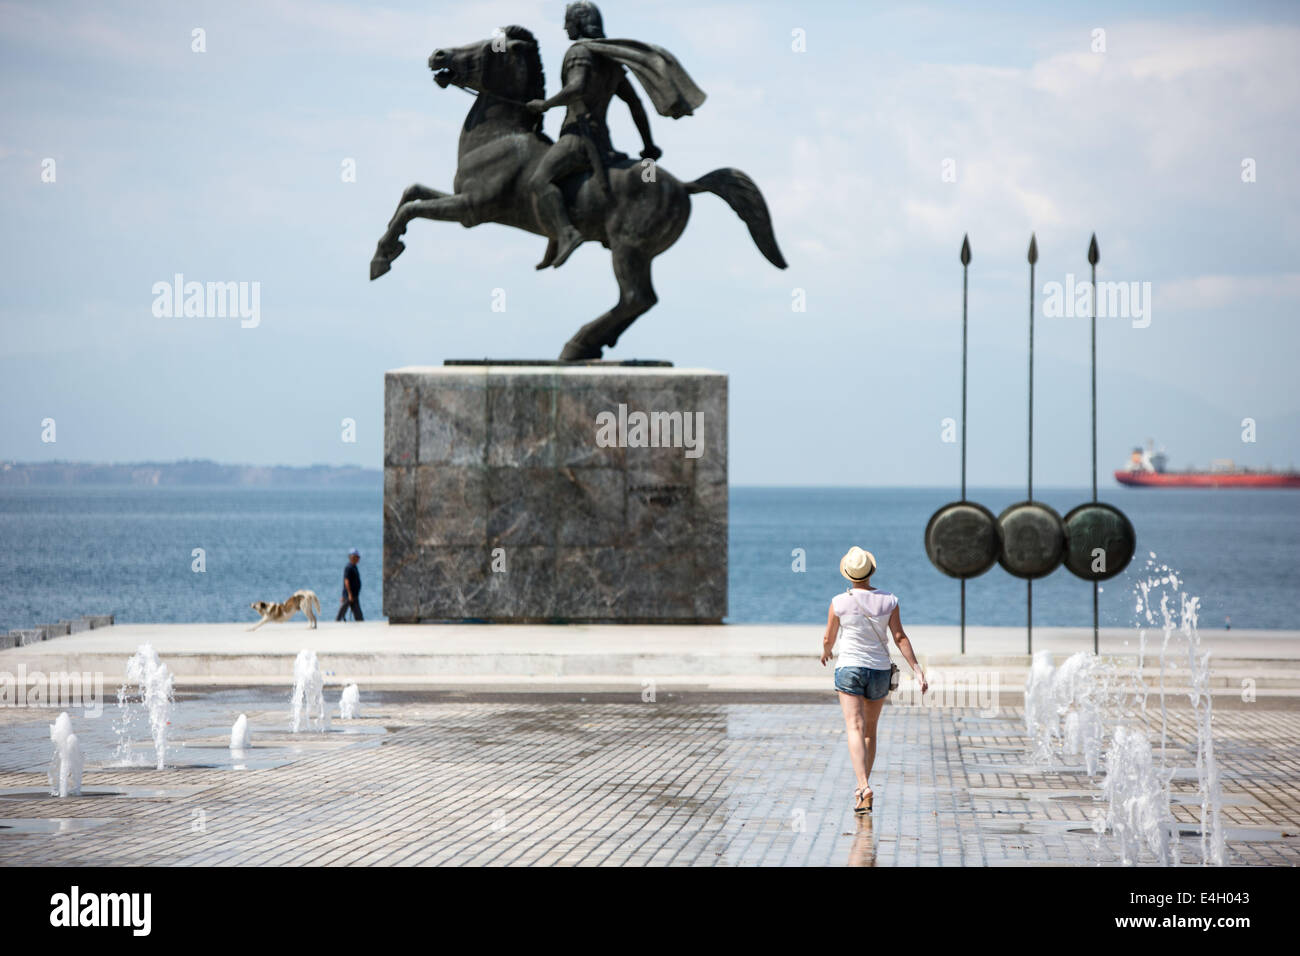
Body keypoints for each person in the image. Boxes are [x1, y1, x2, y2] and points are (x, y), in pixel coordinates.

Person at [820, 546, 927, 814]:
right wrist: (917, 669)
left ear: (848, 574)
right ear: (871, 571)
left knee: (854, 728)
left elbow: (828, 639)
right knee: (870, 730)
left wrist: (825, 652)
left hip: (849, 669)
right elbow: (900, 637)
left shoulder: (838, 602)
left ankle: (863, 785)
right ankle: (861, 791)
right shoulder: (889, 600)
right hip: (879, 671)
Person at [337, 548, 363, 621]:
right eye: (357, 557)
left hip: (354, 595)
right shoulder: (348, 567)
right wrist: (349, 594)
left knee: (358, 615)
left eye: (359, 557)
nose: (358, 559)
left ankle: (361, 627)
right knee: (341, 612)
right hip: (349, 595)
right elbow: (346, 581)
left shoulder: (354, 567)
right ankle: (335, 625)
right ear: (352, 557)